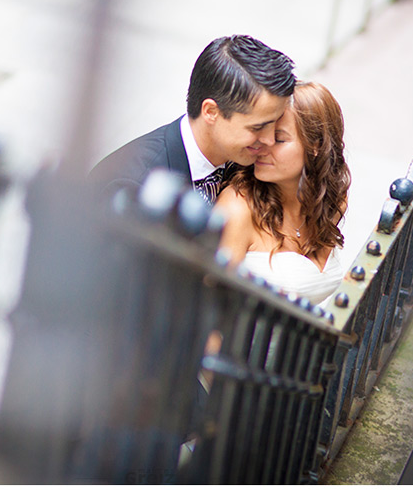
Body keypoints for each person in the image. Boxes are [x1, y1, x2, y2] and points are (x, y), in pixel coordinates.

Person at [89, 35, 297, 204]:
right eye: (257, 127)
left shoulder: (254, 165)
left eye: (275, 123)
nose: (270, 140)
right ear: (210, 112)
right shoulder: (131, 185)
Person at [214, 81, 351, 307]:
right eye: (260, 133)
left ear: (314, 145)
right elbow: (213, 306)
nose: (261, 146)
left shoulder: (333, 202)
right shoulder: (237, 208)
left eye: (278, 139)